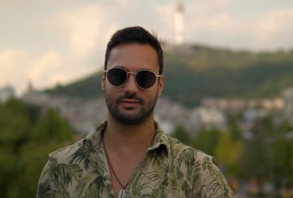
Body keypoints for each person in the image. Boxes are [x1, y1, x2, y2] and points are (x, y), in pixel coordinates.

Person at [36, 26, 234, 198]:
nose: (131, 87)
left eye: (144, 77)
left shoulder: (198, 173)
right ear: (104, 81)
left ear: (160, 84)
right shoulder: (60, 169)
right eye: (118, 75)